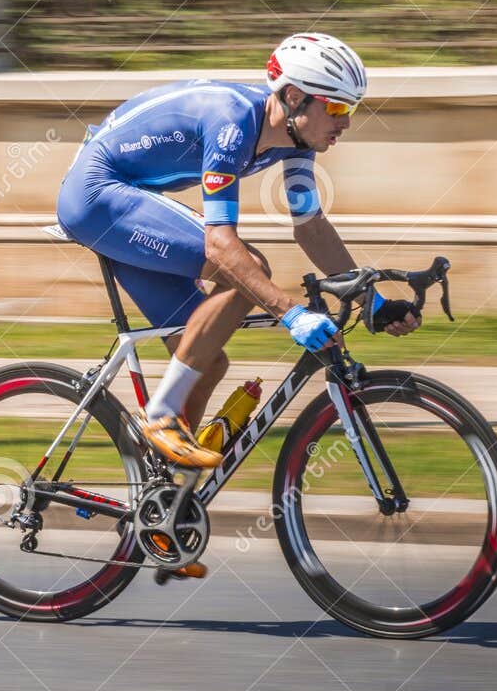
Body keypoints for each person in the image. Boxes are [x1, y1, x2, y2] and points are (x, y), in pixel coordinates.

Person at [56, 32, 421, 471]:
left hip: (127, 198)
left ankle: (163, 494)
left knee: (205, 362)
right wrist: (291, 313)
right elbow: (220, 245)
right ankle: (160, 417)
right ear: (293, 97)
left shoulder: (295, 142)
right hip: (97, 196)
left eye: (351, 109)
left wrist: (372, 302)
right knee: (248, 265)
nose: (345, 122)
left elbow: (311, 228)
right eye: (337, 108)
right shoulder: (231, 123)